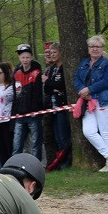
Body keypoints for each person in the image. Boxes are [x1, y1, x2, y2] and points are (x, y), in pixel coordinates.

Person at [74, 35, 108, 172]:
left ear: (102, 49)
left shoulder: (107, 64)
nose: (95, 49)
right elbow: (76, 78)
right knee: (88, 131)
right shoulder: (84, 63)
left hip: (103, 100)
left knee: (106, 132)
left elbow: (106, 81)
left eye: (98, 47)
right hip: (87, 102)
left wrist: (90, 90)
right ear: (88, 49)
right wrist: (82, 90)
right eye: (92, 46)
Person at [11, 44, 44, 161]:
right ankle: (15, 166)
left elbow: (38, 94)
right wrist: (14, 111)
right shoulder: (16, 73)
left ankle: (37, 166)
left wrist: (35, 110)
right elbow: (15, 94)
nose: (25, 60)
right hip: (20, 114)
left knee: (36, 143)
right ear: (19, 58)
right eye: (23, 57)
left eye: (27, 57)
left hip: (33, 114)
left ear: (31, 57)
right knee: (17, 143)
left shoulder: (36, 73)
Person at [43, 42, 72, 171]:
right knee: (57, 137)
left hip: (63, 105)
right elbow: (48, 88)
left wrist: (50, 83)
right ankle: (60, 161)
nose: (53, 55)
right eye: (51, 52)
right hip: (53, 106)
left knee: (64, 135)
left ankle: (67, 161)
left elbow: (61, 85)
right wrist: (52, 86)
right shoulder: (52, 69)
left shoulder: (64, 67)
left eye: (55, 52)